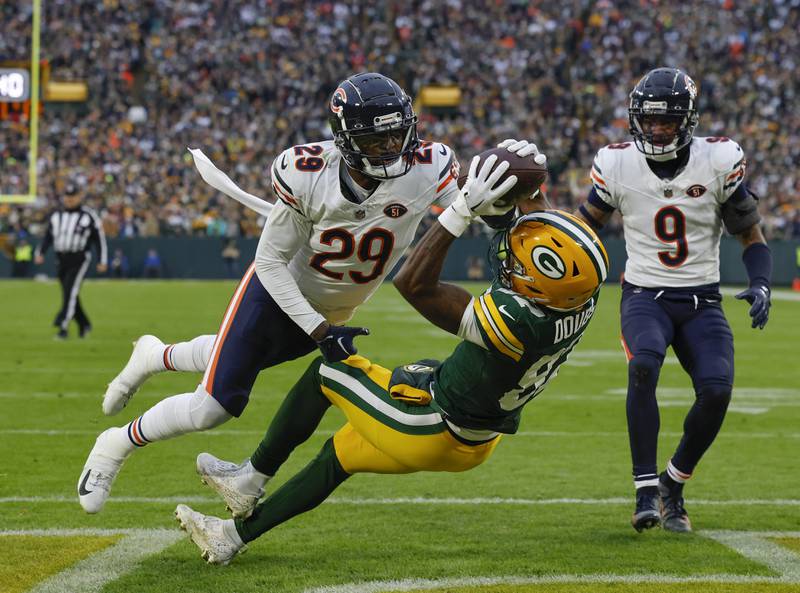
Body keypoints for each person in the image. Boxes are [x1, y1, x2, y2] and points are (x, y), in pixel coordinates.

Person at [76, 72, 530, 514]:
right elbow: (270, 262)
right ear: (346, 138)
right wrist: (317, 329)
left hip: (339, 303)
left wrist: (511, 187)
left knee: (240, 354)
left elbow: (480, 206)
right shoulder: (309, 173)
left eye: (397, 135)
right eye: (377, 140)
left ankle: (156, 356)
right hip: (279, 292)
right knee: (214, 407)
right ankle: (116, 442)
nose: (392, 148)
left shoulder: (430, 164)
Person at [173, 199, 609, 564]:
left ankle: (248, 479)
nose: (508, 261)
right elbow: (547, 238)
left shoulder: (519, 323)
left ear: (542, 281)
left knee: (327, 369)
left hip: (433, 426)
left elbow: (414, 283)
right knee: (337, 456)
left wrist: (459, 211)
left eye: (519, 264)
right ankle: (229, 537)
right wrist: (528, 190)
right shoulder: (575, 301)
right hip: (473, 436)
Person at [574, 67, 772, 533]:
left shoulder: (719, 160)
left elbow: (751, 234)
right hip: (645, 294)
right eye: (650, 120)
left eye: (667, 120)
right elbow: (585, 227)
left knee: (718, 391)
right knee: (643, 363)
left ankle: (673, 483)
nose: (658, 129)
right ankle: (644, 489)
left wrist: (761, 282)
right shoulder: (618, 164)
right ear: (635, 119)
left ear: (689, 119)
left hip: (703, 297)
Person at [34, 183, 108, 339]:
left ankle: (63, 327)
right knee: (69, 293)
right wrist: (40, 252)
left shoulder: (88, 216)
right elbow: (48, 236)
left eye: (72, 196)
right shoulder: (56, 216)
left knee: (70, 292)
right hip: (61, 258)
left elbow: (99, 239)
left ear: (79, 196)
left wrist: (102, 260)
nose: (69, 199)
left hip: (79, 258)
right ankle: (84, 323)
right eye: (67, 196)